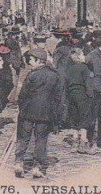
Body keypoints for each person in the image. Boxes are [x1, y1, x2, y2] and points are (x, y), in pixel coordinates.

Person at [14, 47, 67, 178]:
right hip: (46, 114)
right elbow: (59, 98)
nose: (29, 62)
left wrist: (22, 107)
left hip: (28, 112)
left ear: (38, 60)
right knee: (41, 140)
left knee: (23, 138)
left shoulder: (32, 75)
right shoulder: (55, 75)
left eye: (31, 60)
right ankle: (37, 167)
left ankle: (19, 163)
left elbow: (22, 95)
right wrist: (57, 117)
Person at [65, 47, 92, 152]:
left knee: (74, 117)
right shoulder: (84, 68)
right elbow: (88, 83)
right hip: (82, 94)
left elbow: (66, 82)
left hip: (71, 94)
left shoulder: (69, 69)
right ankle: (83, 142)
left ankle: (75, 141)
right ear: (79, 56)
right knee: (84, 116)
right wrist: (90, 95)